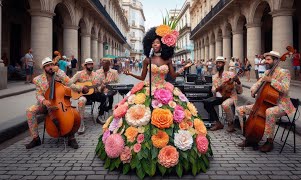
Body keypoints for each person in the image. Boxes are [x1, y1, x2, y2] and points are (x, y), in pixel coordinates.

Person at [95, 25, 212, 177]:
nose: (155, 45)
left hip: (165, 89)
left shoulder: (167, 59)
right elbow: (143, 78)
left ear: (162, 44)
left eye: (157, 42)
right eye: (153, 43)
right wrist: (130, 74)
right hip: (148, 88)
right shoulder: (146, 60)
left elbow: (173, 76)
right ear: (149, 44)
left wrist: (183, 69)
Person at [236, 51, 295, 152]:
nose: (265, 61)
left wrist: (271, 81)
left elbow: (285, 88)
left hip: (282, 105)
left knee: (269, 112)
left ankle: (269, 141)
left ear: (276, 60)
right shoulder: (267, 73)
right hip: (264, 103)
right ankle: (249, 137)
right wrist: (253, 90)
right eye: (265, 59)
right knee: (240, 110)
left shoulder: (284, 72)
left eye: (268, 60)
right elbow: (257, 84)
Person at [25, 57, 89, 149]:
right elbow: (38, 94)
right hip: (45, 104)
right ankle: (36, 139)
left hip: (60, 104)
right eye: (48, 66)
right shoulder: (37, 80)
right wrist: (44, 100)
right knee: (29, 111)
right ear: (44, 68)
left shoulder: (59, 74)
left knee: (72, 115)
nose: (50, 67)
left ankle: (71, 137)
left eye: (52, 64)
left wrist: (81, 88)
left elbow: (70, 83)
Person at [204, 56, 243, 132]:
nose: (218, 64)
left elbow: (240, 91)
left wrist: (238, 82)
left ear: (224, 64)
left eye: (220, 63)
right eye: (217, 63)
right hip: (220, 97)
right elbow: (213, 90)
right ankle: (218, 123)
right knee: (206, 102)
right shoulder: (214, 77)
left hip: (231, 96)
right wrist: (218, 88)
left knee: (225, 104)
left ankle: (230, 123)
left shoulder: (231, 74)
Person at [71, 58, 104, 133]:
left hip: (93, 94)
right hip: (83, 95)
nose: (91, 66)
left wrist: (101, 87)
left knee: (104, 97)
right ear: (85, 66)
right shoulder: (79, 74)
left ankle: (99, 116)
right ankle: (81, 124)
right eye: (89, 64)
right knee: (81, 101)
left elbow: (98, 88)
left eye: (91, 64)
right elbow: (70, 83)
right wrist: (81, 88)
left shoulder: (96, 75)